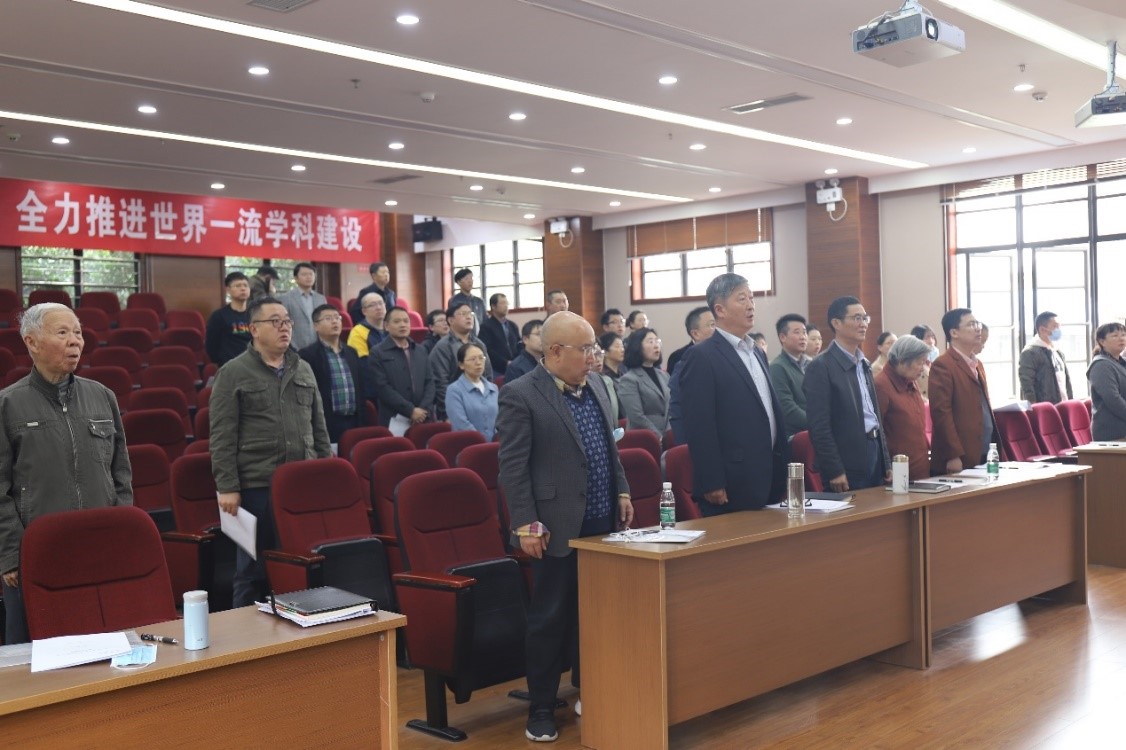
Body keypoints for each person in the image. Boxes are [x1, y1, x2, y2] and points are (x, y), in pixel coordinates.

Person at [497, 311, 633, 744]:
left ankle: (591, 689)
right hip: (554, 525)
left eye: (595, 347)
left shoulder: (596, 385)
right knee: (550, 619)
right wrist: (525, 523)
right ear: (555, 351)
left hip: (601, 521)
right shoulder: (521, 393)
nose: (594, 356)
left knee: (597, 614)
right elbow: (513, 466)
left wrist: (622, 490)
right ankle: (540, 708)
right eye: (586, 349)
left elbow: (609, 448)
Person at [0, 303, 132, 644]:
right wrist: (11, 555)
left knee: (100, 644)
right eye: (62, 333)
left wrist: (121, 532)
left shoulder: (102, 396)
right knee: (32, 652)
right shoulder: (8, 404)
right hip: (37, 553)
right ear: (31, 342)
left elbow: (121, 474)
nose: (75, 341)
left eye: (78, 333)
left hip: (98, 547)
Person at [210, 296, 332, 607]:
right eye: (275, 322)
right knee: (252, 569)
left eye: (287, 321)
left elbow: (319, 428)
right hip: (256, 485)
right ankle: (245, 633)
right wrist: (227, 486)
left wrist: (325, 476)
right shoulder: (233, 372)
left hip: (301, 484)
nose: (284, 327)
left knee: (300, 563)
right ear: (254, 329)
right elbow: (222, 436)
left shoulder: (303, 368)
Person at [678, 273, 787, 515]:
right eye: (741, 299)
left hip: (770, 473)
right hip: (732, 480)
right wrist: (712, 480)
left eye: (752, 298)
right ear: (720, 310)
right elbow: (699, 424)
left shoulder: (757, 352)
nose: (751, 305)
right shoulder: (701, 356)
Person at [804, 296, 891, 491]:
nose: (863, 324)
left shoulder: (864, 363)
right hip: (846, 459)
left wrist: (886, 461)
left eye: (865, 318)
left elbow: (875, 416)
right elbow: (819, 426)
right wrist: (834, 469)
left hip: (873, 450)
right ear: (836, 323)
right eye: (857, 318)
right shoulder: (821, 366)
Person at [928, 308, 1000, 475]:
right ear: (954, 333)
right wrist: (953, 455)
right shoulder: (943, 365)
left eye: (977, 324)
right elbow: (941, 413)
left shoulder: (978, 364)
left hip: (984, 448)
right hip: (961, 455)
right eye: (971, 324)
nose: (978, 329)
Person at [299, 304, 365, 443]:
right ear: (316, 326)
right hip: (327, 422)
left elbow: (360, 388)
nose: (335, 321)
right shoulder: (307, 355)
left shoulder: (351, 352)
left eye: (337, 318)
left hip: (354, 420)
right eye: (328, 318)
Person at [874, 335, 932, 481]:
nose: (923, 368)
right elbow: (877, 433)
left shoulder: (910, 380)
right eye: (919, 363)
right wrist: (887, 466)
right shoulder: (881, 385)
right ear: (902, 361)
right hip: (898, 472)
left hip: (920, 467)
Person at [369, 306, 434, 434]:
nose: (403, 325)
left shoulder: (420, 350)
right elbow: (382, 388)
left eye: (406, 321)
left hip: (423, 417)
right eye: (397, 321)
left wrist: (422, 410)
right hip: (394, 418)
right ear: (386, 326)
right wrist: (411, 411)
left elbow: (430, 382)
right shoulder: (377, 352)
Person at [430, 302, 493, 419]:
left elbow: (488, 375)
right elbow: (441, 383)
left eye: (470, 313)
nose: (469, 317)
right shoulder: (443, 347)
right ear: (450, 320)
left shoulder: (479, 344)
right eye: (463, 314)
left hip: (481, 406)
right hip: (455, 409)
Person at [617, 328, 670, 440]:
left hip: (668, 436)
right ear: (637, 347)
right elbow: (636, 417)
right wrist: (658, 436)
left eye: (657, 341)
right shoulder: (629, 380)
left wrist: (670, 434)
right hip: (645, 438)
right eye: (650, 342)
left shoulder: (664, 376)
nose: (656, 346)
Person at [445, 343, 500, 440]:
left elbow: (501, 420)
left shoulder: (493, 388)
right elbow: (461, 424)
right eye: (473, 359)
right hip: (469, 445)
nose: (478, 362)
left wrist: (497, 440)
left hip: (495, 445)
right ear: (461, 365)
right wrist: (483, 443)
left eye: (481, 358)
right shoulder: (454, 390)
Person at [769, 313, 811, 438]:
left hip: (816, 429)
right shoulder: (777, 367)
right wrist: (817, 423)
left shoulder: (811, 364)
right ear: (783, 337)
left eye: (804, 332)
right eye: (797, 332)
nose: (803, 337)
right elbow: (788, 409)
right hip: (796, 436)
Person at [1019, 311, 1074, 405]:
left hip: (1064, 406)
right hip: (1045, 408)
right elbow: (1027, 385)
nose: (1059, 330)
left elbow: (1067, 383)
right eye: (1055, 326)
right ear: (1042, 329)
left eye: (1059, 326)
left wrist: (1071, 402)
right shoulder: (1029, 353)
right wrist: (1034, 407)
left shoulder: (1058, 352)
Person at [1087, 322, 1126, 440]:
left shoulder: (1121, 362)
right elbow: (1113, 399)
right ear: (1102, 341)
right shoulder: (1101, 365)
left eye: (1123, 335)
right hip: (1112, 433)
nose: (1121, 338)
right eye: (1115, 335)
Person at [205, 271, 253, 367]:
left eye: (245, 285)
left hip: (254, 364)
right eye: (238, 286)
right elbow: (211, 346)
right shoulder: (219, 316)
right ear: (228, 290)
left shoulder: (256, 314)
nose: (243, 288)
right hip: (230, 366)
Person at [278, 262, 327, 351]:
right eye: (304, 274)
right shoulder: (286, 298)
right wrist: (291, 344)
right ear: (296, 278)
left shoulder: (321, 299)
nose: (308, 277)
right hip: (295, 346)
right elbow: (283, 322)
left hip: (319, 347)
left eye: (311, 274)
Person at [665, 306, 715, 376]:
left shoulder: (725, 352)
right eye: (712, 324)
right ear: (695, 334)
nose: (718, 329)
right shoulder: (679, 357)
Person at [479, 292, 521, 374]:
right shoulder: (485, 326)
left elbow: (519, 344)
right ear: (493, 306)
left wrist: (517, 361)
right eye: (502, 303)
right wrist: (505, 362)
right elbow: (487, 350)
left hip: (515, 366)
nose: (506, 306)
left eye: (507, 303)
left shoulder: (512, 325)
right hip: (497, 369)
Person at [348, 261, 396, 325]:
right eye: (383, 272)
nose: (386, 275)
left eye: (387, 272)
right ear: (374, 276)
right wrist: (367, 326)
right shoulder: (366, 292)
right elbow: (355, 313)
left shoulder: (391, 293)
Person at [346, 292, 387, 358]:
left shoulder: (392, 327)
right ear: (364, 311)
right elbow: (363, 361)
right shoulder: (358, 332)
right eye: (373, 305)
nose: (379, 307)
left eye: (381, 303)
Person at [447, 268, 487, 336]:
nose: (470, 281)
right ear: (459, 282)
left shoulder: (479, 301)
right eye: (466, 279)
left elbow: (485, 320)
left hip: (481, 336)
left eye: (471, 278)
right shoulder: (454, 301)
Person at [910, 324, 939, 400]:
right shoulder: (911, 363)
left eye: (932, 337)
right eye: (926, 338)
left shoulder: (932, 362)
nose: (931, 341)